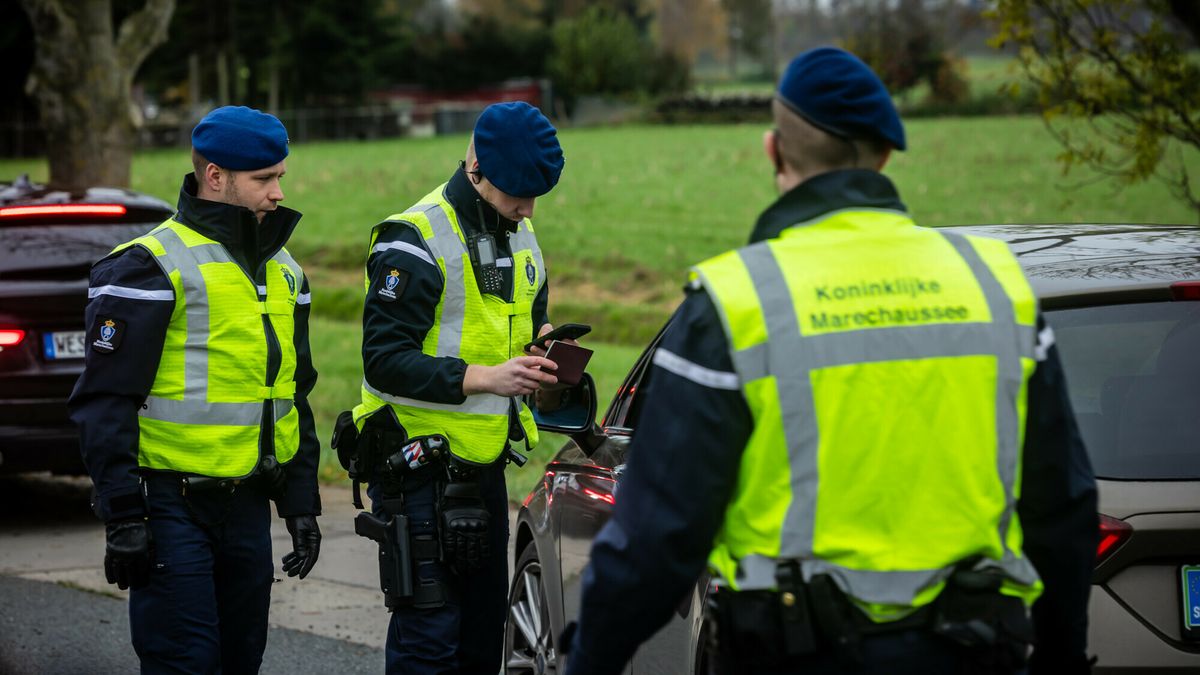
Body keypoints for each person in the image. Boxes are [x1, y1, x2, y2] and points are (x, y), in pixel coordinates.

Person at [563, 48, 1098, 675]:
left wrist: (589, 660)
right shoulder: (995, 287)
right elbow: (1062, 508)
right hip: (976, 651)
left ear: (774, 152)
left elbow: (658, 536)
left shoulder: (737, 303)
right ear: (886, 156)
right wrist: (1061, 658)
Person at [68, 105, 323, 674]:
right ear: (215, 176)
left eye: (280, 176)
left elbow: (292, 394)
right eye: (264, 179)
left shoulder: (284, 270)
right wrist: (123, 516)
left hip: (248, 505)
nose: (279, 192)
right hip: (169, 506)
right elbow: (104, 403)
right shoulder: (148, 267)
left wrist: (301, 506)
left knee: (241, 659)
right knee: (186, 661)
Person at [349, 100, 566, 674]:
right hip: (415, 470)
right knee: (428, 646)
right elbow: (383, 361)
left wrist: (546, 349)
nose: (528, 208)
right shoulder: (414, 239)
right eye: (518, 193)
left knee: (480, 642)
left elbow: (527, 318)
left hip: (483, 470)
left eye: (538, 194)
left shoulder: (519, 232)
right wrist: (487, 378)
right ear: (476, 169)